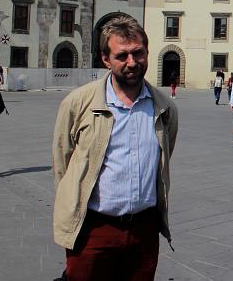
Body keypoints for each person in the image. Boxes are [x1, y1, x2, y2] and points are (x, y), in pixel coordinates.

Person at [52, 16, 178, 280]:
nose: (132, 62)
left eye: (138, 53)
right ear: (106, 59)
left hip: (144, 229)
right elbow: (62, 163)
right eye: (122, 56)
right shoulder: (78, 104)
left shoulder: (164, 107)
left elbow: (163, 158)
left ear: (146, 52)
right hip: (94, 229)